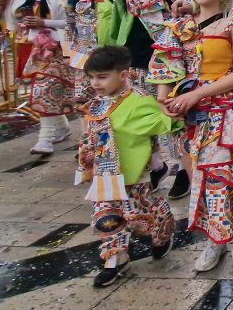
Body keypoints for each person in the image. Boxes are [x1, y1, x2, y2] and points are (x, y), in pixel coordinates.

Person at [44, 0, 212, 199]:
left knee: (172, 124)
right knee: (129, 124)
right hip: (129, 70)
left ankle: (186, 176)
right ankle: (154, 167)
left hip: (167, 73)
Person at [147, 0, 233, 272]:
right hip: (188, 117)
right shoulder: (180, 24)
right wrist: (164, 100)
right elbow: (165, 65)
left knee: (230, 178)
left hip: (226, 113)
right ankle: (214, 240)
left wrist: (197, 93)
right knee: (200, 181)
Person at [74, 46, 176, 288]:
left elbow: (162, 122)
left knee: (141, 212)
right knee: (106, 215)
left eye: (102, 77)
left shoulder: (140, 100)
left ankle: (162, 228)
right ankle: (114, 260)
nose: (95, 83)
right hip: (105, 173)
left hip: (135, 172)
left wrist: (175, 109)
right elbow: (91, 135)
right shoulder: (97, 102)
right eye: (92, 77)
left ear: (123, 75)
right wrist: (87, 163)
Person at [0, 0, 71, 155]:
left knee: (44, 90)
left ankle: (45, 140)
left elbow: (69, 22)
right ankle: (62, 128)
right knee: (40, 91)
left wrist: (44, 22)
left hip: (54, 51)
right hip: (27, 49)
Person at [65, 0, 110, 103]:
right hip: (81, 52)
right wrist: (67, 54)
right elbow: (68, 22)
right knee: (83, 99)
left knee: (108, 95)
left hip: (107, 50)